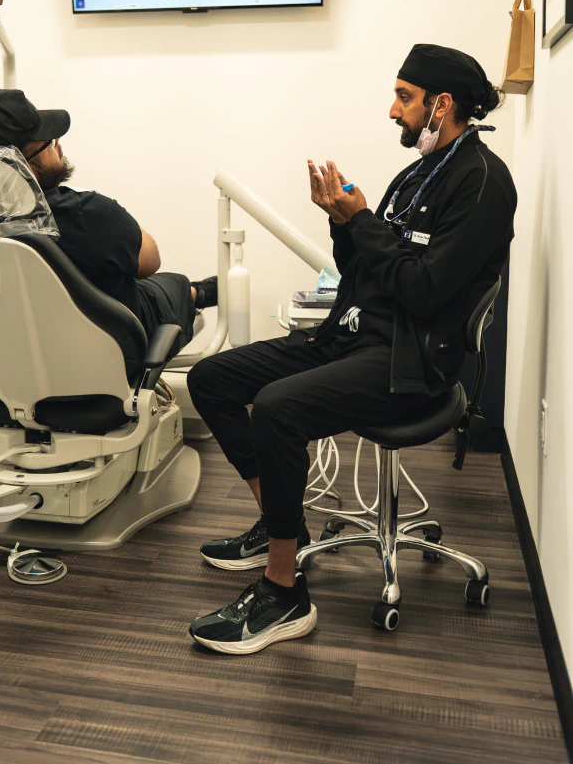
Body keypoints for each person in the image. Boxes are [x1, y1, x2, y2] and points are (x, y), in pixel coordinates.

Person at [186, 44, 517, 655]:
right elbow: (363, 270)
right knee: (211, 379)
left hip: (410, 361)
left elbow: (422, 289)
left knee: (279, 409)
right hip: (353, 333)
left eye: (404, 97)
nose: (394, 110)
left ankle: (285, 592)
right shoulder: (417, 172)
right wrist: (342, 222)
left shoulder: (483, 183)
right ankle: (276, 525)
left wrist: (362, 220)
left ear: (442, 105)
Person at [0, 89, 216, 348]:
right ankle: (194, 292)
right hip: (97, 362)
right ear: (22, 160)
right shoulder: (86, 213)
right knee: (171, 283)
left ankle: (194, 290)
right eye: (47, 141)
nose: (57, 143)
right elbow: (150, 261)